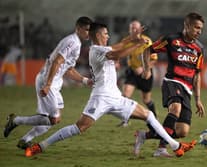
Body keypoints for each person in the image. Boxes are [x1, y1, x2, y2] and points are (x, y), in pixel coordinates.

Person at [24, 22, 196, 158]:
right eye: (105, 33)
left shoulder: (103, 47)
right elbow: (116, 54)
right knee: (80, 127)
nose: (108, 36)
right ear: (98, 35)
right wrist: (137, 43)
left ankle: (175, 146)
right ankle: (41, 146)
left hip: (115, 97)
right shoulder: (95, 50)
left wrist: (132, 38)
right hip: (100, 98)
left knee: (148, 115)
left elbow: (118, 46)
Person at [3, 16, 93, 149]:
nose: (88, 33)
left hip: (54, 83)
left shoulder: (77, 43)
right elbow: (57, 61)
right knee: (53, 119)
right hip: (48, 81)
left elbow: (68, 69)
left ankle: (24, 140)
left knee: (51, 120)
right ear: (78, 28)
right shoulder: (72, 42)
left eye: (90, 30)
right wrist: (48, 84)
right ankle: (16, 121)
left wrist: (85, 80)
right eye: (86, 30)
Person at [134, 12, 205, 157]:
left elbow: (197, 75)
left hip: (187, 89)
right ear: (187, 26)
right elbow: (148, 50)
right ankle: (161, 149)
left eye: (201, 29)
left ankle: (144, 136)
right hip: (172, 82)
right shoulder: (171, 39)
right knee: (175, 109)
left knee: (181, 131)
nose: (199, 31)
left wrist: (198, 99)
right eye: (196, 28)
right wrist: (147, 69)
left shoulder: (199, 49)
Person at [118, 20, 158, 128]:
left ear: (140, 29)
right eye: (132, 28)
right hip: (132, 72)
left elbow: (154, 59)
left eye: (136, 28)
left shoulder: (147, 41)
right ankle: (125, 119)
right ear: (129, 30)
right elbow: (119, 53)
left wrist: (145, 68)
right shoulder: (126, 41)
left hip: (145, 73)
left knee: (146, 100)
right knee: (125, 95)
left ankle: (154, 118)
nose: (134, 30)